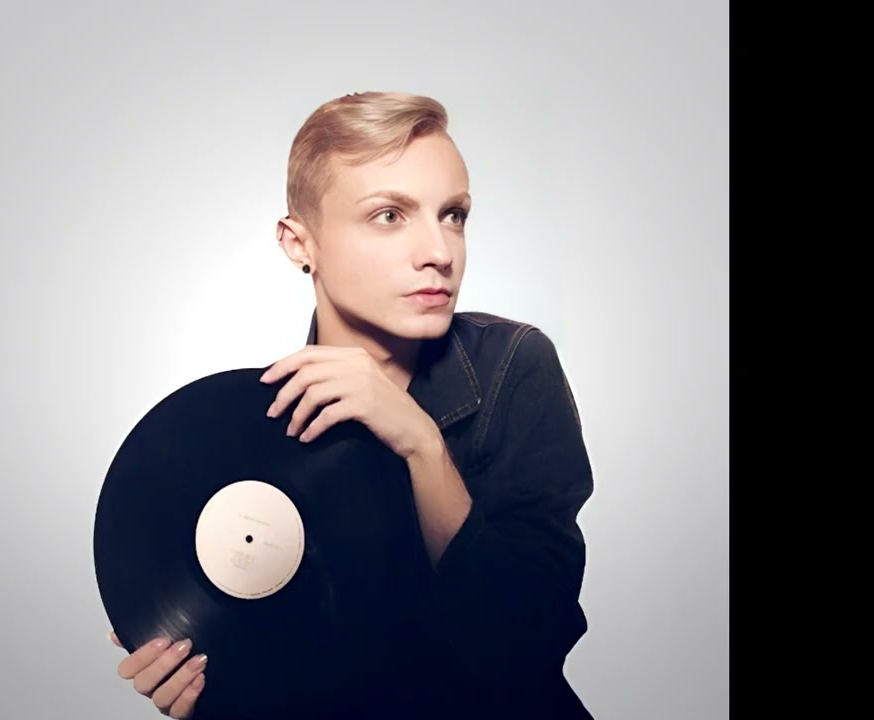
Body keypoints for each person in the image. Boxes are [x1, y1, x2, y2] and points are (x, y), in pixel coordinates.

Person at [109, 91, 595, 719]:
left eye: (453, 214)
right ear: (298, 243)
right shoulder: (253, 431)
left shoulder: (512, 365)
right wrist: (215, 692)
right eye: (389, 215)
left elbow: (527, 640)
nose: (440, 251)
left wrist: (420, 444)